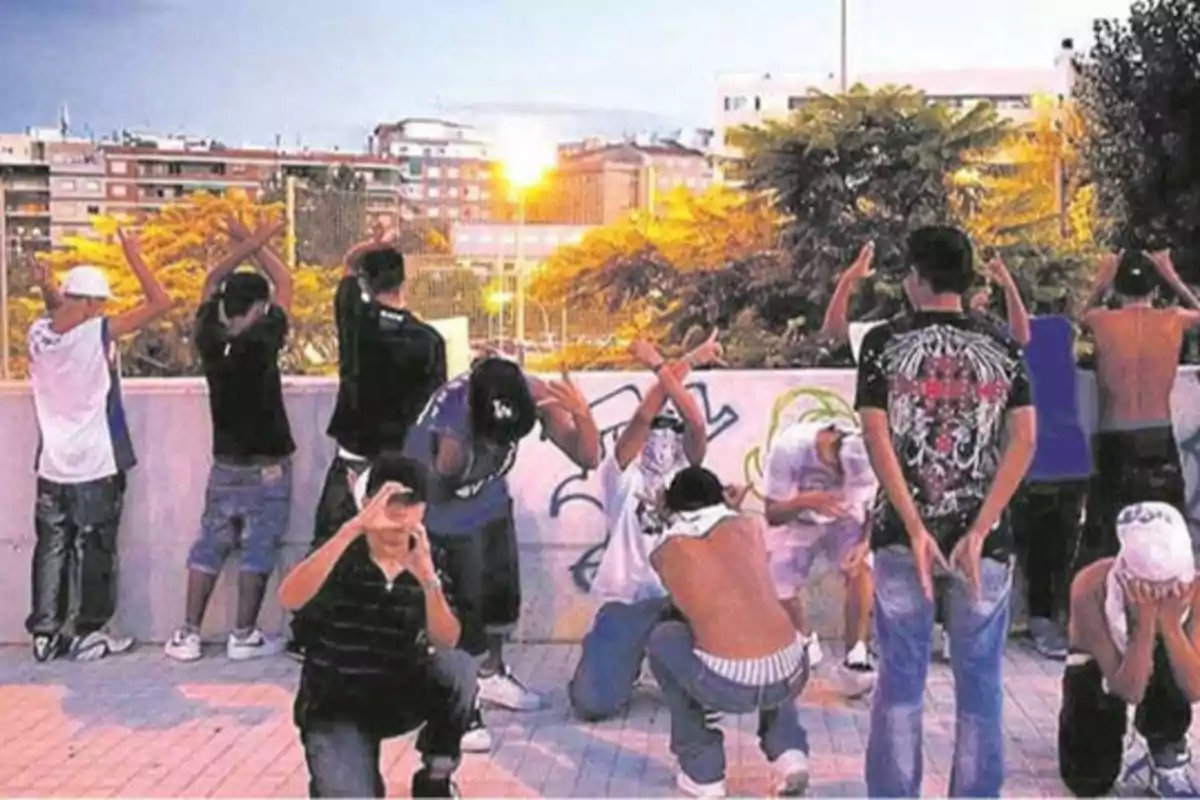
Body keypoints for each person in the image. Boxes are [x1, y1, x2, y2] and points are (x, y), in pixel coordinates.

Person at [855, 225, 1036, 797]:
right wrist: (980, 529)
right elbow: (1024, 440)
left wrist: (913, 525)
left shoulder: (884, 341)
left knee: (901, 685)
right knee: (980, 688)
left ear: (915, 276)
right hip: (982, 547)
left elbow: (875, 434)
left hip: (900, 539)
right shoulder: (1003, 345)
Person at [404, 356, 600, 750]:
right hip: (442, 514)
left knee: (500, 602)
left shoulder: (535, 393)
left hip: (489, 503)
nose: (499, 447)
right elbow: (429, 493)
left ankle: (490, 675)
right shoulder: (452, 432)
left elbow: (588, 457)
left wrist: (582, 415)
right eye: (492, 439)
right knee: (463, 614)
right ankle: (458, 705)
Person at [290, 224, 447, 659]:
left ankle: (310, 633)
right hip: (400, 462)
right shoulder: (429, 340)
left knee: (331, 542)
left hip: (353, 457)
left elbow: (345, 271)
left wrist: (367, 244)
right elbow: (435, 406)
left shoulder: (357, 321)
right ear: (403, 282)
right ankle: (402, 634)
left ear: (365, 282)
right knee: (404, 548)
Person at [279, 453, 474, 798]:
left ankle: (435, 778)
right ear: (367, 503)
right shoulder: (337, 552)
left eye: (409, 502)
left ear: (423, 509)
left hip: (397, 691)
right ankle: (344, 776)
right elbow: (290, 597)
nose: (398, 514)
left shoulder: (431, 558)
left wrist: (429, 581)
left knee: (458, 667)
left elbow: (447, 639)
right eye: (388, 502)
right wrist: (350, 530)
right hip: (335, 705)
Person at [25, 229, 173, 662]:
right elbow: (160, 303)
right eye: (100, 303)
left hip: (52, 465)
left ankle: (45, 632)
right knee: (95, 549)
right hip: (94, 463)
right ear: (91, 305)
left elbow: (59, 314)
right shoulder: (98, 333)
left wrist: (46, 285)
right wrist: (134, 257)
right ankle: (89, 631)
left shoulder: (37, 334)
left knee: (51, 546)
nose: (104, 310)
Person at [569, 335, 721, 721]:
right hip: (631, 602)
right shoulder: (622, 477)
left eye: (672, 430)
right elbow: (641, 417)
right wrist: (680, 362)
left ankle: (679, 666)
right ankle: (623, 661)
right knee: (592, 703)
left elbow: (697, 422)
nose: (662, 438)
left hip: (683, 603)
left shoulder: (689, 478)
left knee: (712, 695)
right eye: (657, 429)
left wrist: (667, 362)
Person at [165, 217, 296, 662]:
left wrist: (243, 244)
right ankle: (243, 634)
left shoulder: (208, 336)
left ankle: (188, 634)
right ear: (259, 307)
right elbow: (284, 279)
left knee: (211, 543)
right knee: (259, 546)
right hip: (269, 466)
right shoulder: (263, 337)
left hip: (225, 463)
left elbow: (210, 279)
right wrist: (256, 241)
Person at [645, 466, 811, 798]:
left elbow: (688, 603)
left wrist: (662, 512)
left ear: (672, 505)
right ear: (719, 497)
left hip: (731, 685)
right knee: (761, 626)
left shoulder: (666, 551)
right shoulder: (749, 527)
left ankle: (703, 771)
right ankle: (789, 753)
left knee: (663, 638)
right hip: (792, 671)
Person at [1059, 501, 1200, 797]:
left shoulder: (1195, 590)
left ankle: (1166, 745)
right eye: (1150, 587)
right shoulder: (1091, 587)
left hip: (1159, 657)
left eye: (1172, 586)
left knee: (1176, 652)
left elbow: (1196, 689)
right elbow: (1128, 690)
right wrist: (1145, 625)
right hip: (1107, 666)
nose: (1164, 595)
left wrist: (1171, 628)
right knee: (1087, 780)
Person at [1074, 249, 1200, 570]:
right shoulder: (1173, 319)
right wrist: (1173, 276)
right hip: (1158, 434)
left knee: (1108, 538)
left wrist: (1099, 283)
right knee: (1168, 531)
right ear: (1155, 290)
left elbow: (1076, 319)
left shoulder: (1101, 320)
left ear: (1116, 290)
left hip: (1115, 436)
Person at [763, 420, 878, 697]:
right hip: (798, 518)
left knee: (862, 568)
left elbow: (876, 508)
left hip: (844, 519)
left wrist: (864, 543)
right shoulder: (790, 449)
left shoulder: (867, 449)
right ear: (832, 462)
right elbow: (772, 513)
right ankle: (803, 640)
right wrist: (804, 501)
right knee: (775, 578)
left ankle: (856, 654)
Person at [1011, 298, 1092, 660]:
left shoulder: (1010, 339)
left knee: (1040, 550)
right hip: (1065, 459)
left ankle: (1044, 620)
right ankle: (1048, 620)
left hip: (1040, 462)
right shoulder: (1061, 330)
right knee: (1060, 547)